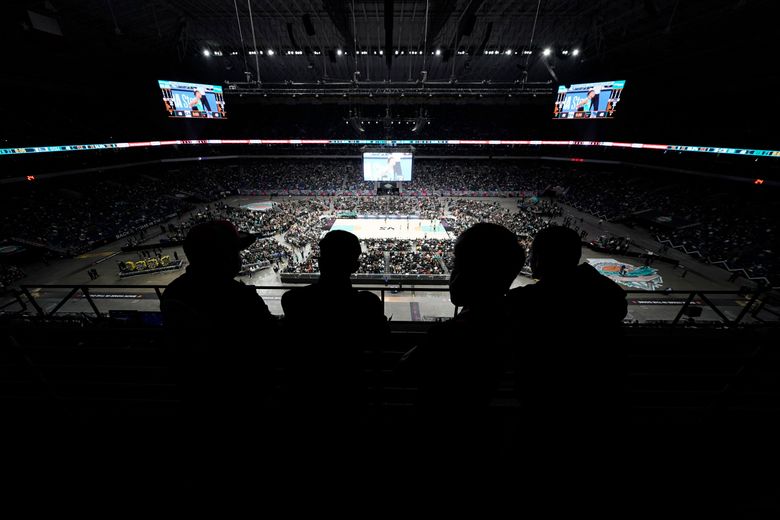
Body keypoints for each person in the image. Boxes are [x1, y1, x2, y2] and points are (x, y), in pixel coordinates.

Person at [398, 223, 525, 451]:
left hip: (440, 432)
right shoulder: (517, 321)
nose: (452, 274)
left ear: (475, 274)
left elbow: (404, 371)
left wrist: (436, 337)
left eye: (458, 266)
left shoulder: (454, 335)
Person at [160, 220, 275, 438]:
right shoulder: (240, 298)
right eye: (235, 252)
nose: (240, 258)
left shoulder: (173, 292)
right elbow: (267, 342)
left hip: (194, 394)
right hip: (241, 396)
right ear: (223, 258)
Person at [507, 225, 627, 426]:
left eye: (533, 254)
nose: (530, 259)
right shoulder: (607, 293)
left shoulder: (526, 300)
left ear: (540, 258)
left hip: (542, 397)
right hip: (598, 397)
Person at [280, 230, 388, 442]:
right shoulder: (367, 303)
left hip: (304, 393)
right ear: (355, 266)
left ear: (320, 262)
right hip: (350, 390)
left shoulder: (293, 300)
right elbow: (382, 339)